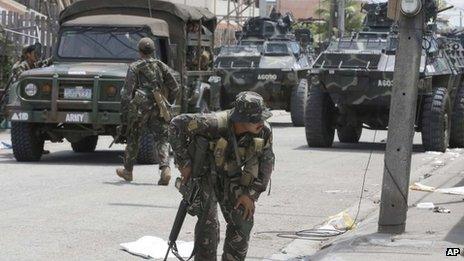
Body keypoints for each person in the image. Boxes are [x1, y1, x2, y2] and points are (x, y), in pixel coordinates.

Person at [169, 91, 275, 260]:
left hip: (231, 177)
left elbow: (266, 164)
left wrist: (251, 195)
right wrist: (184, 163)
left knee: (243, 220)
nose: (261, 123)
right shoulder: (213, 123)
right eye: (255, 119)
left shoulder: (264, 132)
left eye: (262, 117)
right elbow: (176, 124)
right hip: (204, 176)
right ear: (240, 118)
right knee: (208, 227)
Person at [116, 37, 179, 185]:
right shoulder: (161, 66)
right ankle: (165, 169)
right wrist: (166, 100)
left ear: (139, 51)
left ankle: (128, 171)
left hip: (139, 106)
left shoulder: (134, 67)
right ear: (153, 51)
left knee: (133, 137)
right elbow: (175, 87)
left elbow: (126, 93)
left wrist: (125, 113)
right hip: (158, 104)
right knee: (161, 138)